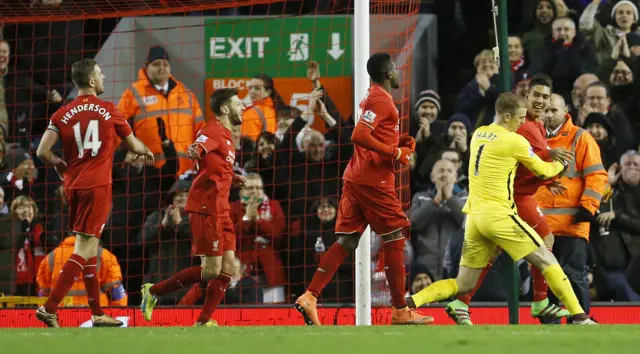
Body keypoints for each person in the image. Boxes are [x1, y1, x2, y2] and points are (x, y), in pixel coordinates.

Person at [407, 92, 597, 325]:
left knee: (463, 283)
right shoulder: (513, 140)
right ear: (507, 117)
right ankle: (579, 316)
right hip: (498, 215)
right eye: (518, 118)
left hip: (474, 219)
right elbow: (543, 171)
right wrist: (561, 163)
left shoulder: (478, 134)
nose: (521, 123)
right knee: (547, 260)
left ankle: (410, 303)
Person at [294, 52, 431, 326]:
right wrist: (395, 152)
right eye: (394, 66)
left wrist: (402, 143)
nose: (397, 70)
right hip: (373, 181)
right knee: (394, 237)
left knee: (347, 241)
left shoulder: (374, 96)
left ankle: (310, 296)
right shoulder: (380, 99)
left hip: (356, 178)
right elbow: (358, 134)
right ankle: (400, 309)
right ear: (388, 72)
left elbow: (370, 134)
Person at [445, 74, 574, 324]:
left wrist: (547, 175)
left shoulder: (535, 125)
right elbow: (534, 157)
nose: (540, 100)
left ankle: (462, 302)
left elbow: (529, 163)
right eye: (536, 95)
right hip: (514, 196)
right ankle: (540, 301)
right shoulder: (523, 124)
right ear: (527, 96)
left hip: (512, 196)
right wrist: (550, 155)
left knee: (492, 252)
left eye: (545, 97)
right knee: (545, 238)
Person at [35, 58, 154, 328]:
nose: (103, 78)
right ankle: (50, 308)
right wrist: (147, 151)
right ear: (91, 81)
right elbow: (134, 146)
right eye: (100, 74)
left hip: (73, 187)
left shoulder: (61, 113)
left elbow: (42, 151)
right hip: (98, 187)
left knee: (88, 249)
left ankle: (97, 313)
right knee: (85, 249)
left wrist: (59, 165)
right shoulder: (109, 110)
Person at [139, 88, 247, 327]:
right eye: (238, 104)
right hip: (206, 208)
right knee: (210, 271)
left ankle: (203, 321)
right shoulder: (213, 129)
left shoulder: (228, 137)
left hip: (222, 208)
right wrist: (194, 150)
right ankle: (154, 291)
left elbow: (216, 169)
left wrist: (234, 178)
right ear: (226, 109)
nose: (243, 107)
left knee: (227, 268)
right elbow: (199, 146)